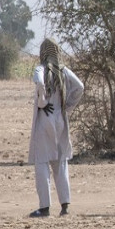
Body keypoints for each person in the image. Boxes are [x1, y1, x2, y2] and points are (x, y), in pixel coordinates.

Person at [28, 39, 84, 218]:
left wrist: (42, 99)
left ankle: (44, 208)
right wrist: (67, 106)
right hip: (60, 119)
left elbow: (38, 80)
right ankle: (65, 206)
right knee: (60, 162)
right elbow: (80, 87)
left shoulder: (41, 69)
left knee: (42, 162)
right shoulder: (64, 70)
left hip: (44, 119)